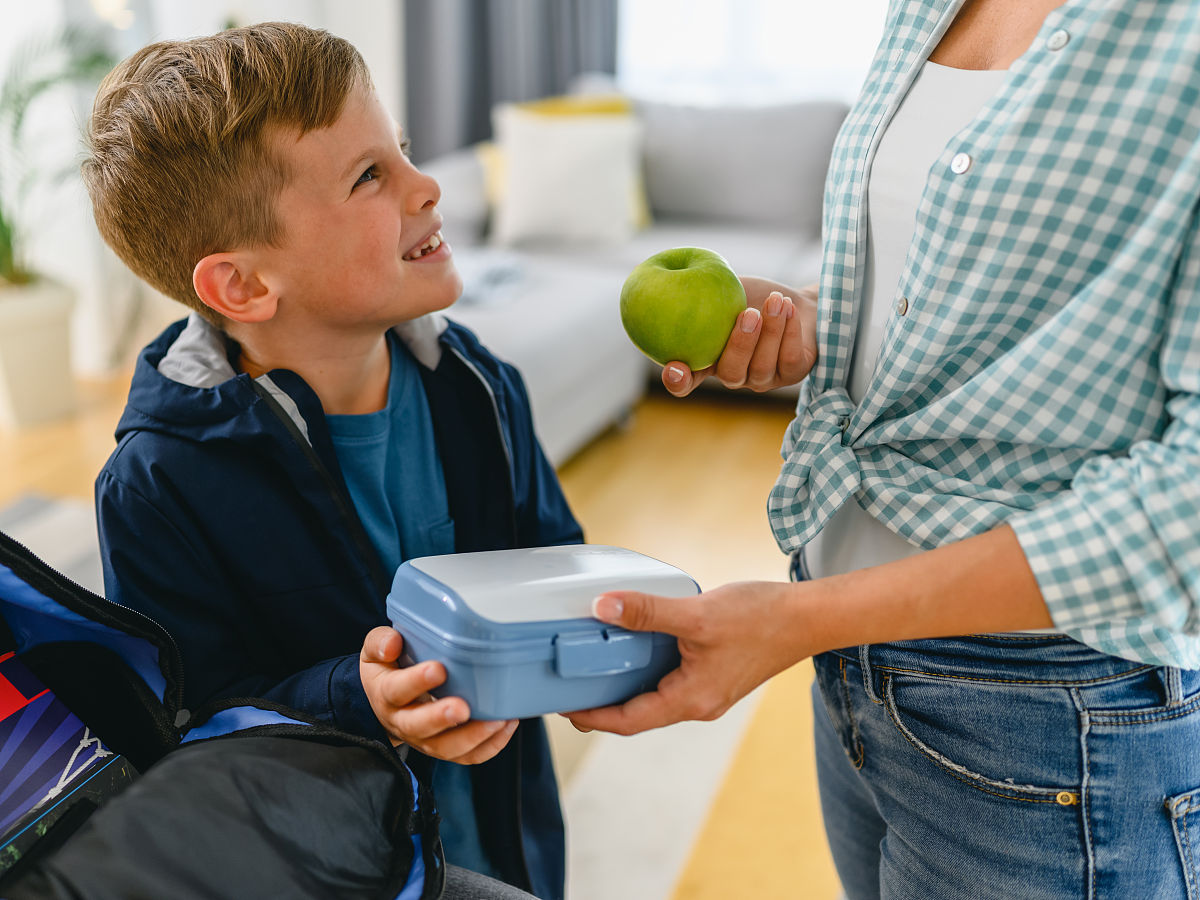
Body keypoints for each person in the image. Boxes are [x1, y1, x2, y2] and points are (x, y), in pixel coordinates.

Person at [566, 0, 1200, 897]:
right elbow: (952, 296)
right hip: (855, 676)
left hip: (1046, 723)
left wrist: (803, 622)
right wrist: (810, 324)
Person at [82, 23, 580, 900]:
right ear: (242, 286)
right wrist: (360, 700)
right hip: (338, 872)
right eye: (369, 176)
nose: (427, 185)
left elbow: (556, 561)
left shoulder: (477, 384)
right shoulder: (155, 486)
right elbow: (190, 733)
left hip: (508, 832)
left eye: (403, 150)